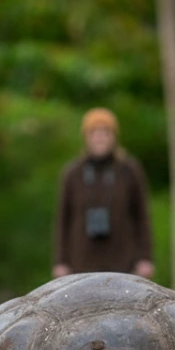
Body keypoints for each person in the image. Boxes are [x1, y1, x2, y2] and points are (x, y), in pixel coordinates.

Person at [53, 107, 154, 279]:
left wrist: (145, 257)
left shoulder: (129, 170)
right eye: (94, 133)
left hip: (123, 262)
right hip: (82, 262)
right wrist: (61, 261)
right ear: (86, 137)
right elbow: (63, 219)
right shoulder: (73, 173)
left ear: (114, 136)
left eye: (105, 133)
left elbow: (141, 216)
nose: (99, 138)